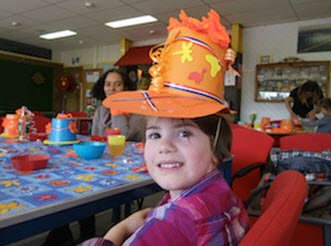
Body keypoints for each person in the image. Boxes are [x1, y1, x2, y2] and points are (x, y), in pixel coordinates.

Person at [78, 9, 249, 246]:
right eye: (155, 135)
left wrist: (119, 230)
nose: (164, 146)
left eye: (184, 132)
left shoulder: (173, 224)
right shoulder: (222, 194)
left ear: (216, 148)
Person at [90, 69, 143, 141]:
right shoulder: (100, 111)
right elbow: (94, 138)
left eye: (118, 85)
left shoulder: (135, 111)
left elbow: (121, 137)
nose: (112, 88)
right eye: (108, 84)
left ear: (125, 88)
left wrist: (117, 109)